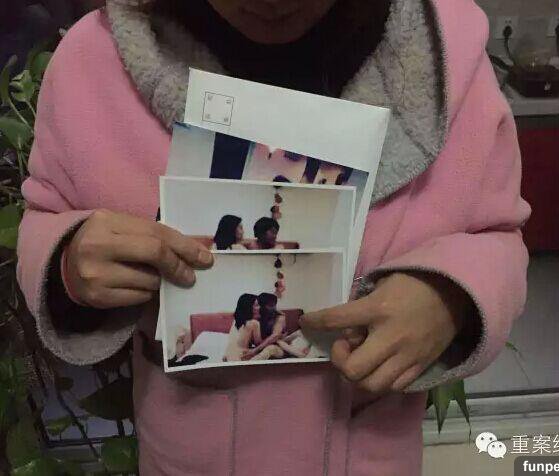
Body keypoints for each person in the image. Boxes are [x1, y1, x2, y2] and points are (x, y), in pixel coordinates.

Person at [17, 0, 531, 473]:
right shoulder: (98, 61)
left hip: (370, 453)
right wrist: (69, 261)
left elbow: (498, 235)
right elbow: (47, 211)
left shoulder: (442, 58)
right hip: (190, 454)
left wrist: (451, 298)